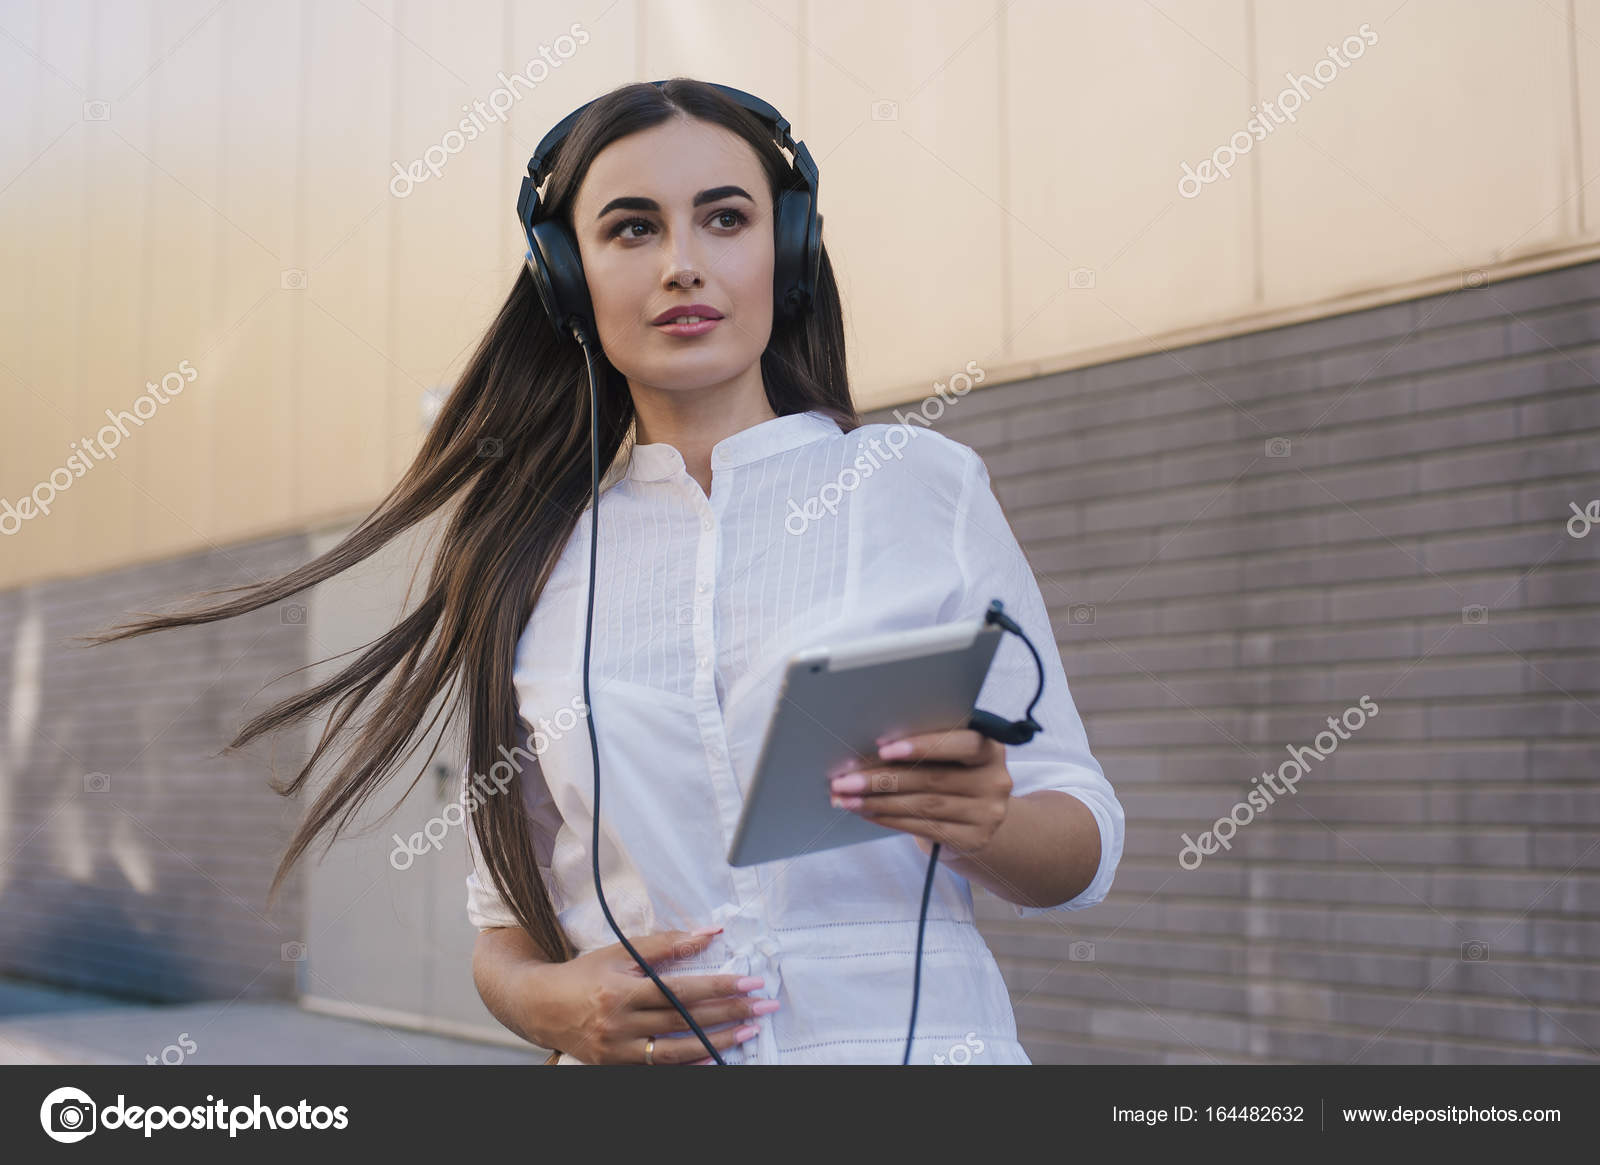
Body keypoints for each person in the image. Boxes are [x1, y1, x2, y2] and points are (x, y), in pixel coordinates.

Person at [81, 78, 1123, 1066]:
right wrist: (551, 1006)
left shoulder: (923, 487)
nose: (682, 263)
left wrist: (989, 818)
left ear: (788, 247)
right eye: (632, 228)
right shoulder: (531, 552)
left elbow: (1079, 841)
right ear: (567, 276)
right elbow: (502, 925)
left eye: (726, 218)